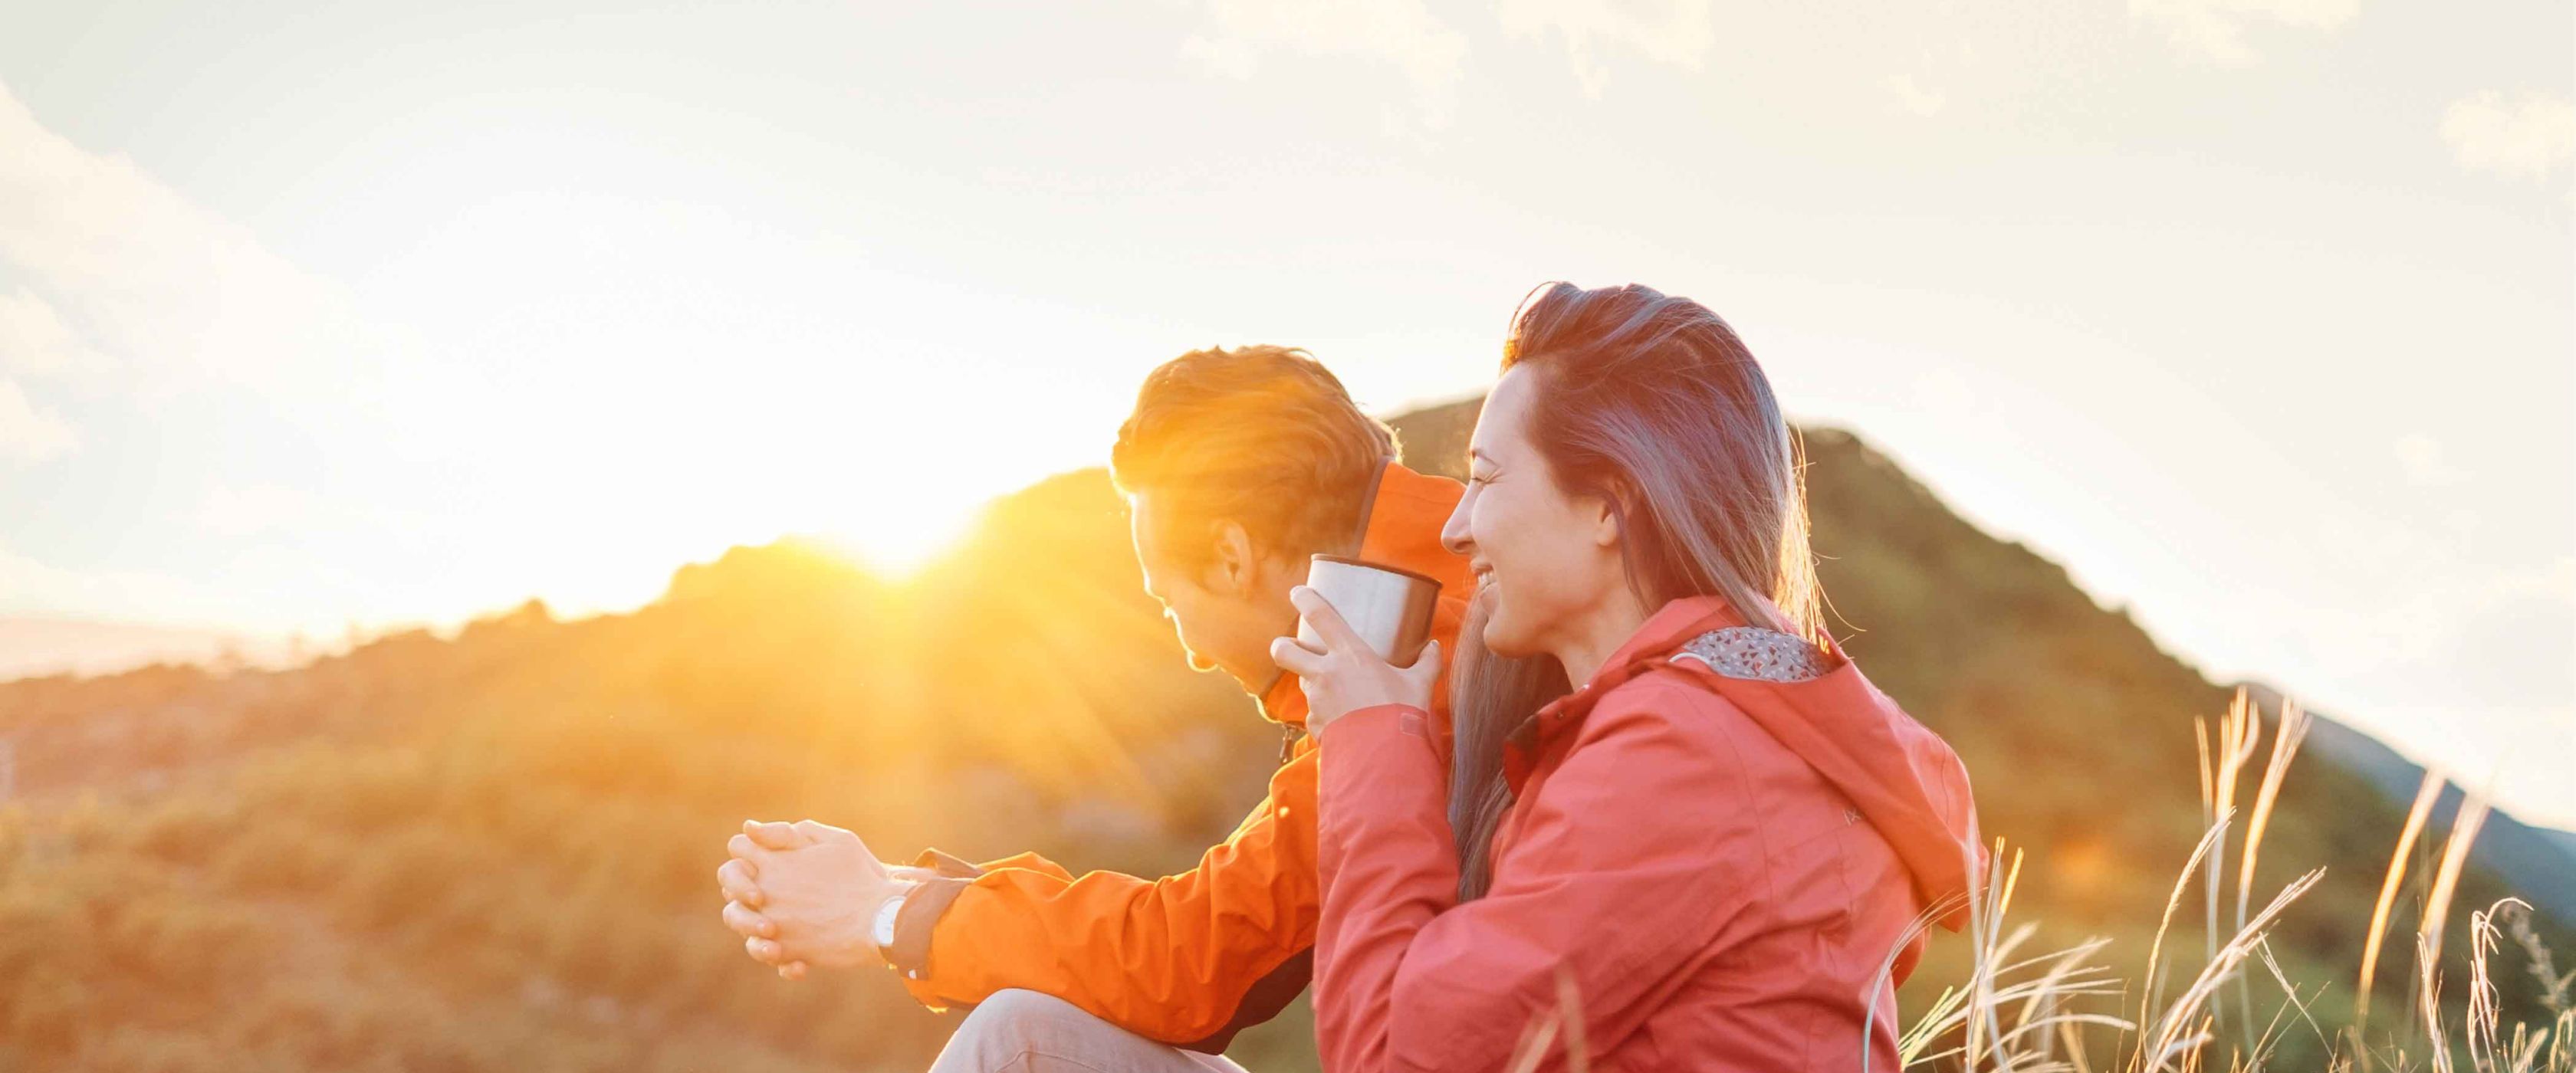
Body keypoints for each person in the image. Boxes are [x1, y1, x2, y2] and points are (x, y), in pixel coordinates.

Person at [1273, 283, 1986, 1071]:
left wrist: (1372, 740)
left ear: (1611, 504)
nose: (1455, 524)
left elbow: (1392, 1059)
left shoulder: (1682, 751)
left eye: (1486, 476)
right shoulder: (1737, 718)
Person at [715, 345, 1474, 1071]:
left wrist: (886, 918)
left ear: (1233, 557)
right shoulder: (1429, 596)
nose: (1194, 652)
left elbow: (1193, 960)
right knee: (1024, 1030)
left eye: (1170, 603)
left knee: (1021, 1047)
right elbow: (1219, 915)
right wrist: (898, 891)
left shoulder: (1420, 657)